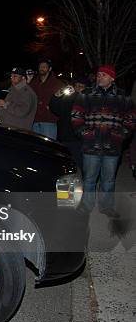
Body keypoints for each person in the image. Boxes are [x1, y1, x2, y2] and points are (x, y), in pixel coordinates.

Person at [71, 65, 134, 217]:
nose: (99, 77)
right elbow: (76, 116)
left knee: (109, 180)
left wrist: (120, 135)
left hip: (112, 146)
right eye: (98, 75)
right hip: (91, 145)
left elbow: (131, 119)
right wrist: (85, 133)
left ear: (112, 78)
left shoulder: (123, 96)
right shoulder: (86, 94)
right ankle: (86, 205)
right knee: (89, 178)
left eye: (103, 75)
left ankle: (107, 207)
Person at [49, 79, 83, 169]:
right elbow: (54, 109)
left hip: (77, 138)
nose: (78, 88)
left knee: (80, 162)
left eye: (81, 86)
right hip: (64, 136)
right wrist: (56, 96)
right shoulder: (67, 98)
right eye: (77, 86)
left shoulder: (86, 99)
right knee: (63, 162)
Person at [30, 59, 64, 139]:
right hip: (35, 120)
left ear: (50, 69)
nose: (41, 68)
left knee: (48, 147)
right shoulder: (33, 83)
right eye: (40, 66)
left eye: (44, 67)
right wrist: (28, 82)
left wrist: (53, 108)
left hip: (49, 121)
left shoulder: (57, 84)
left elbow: (64, 101)